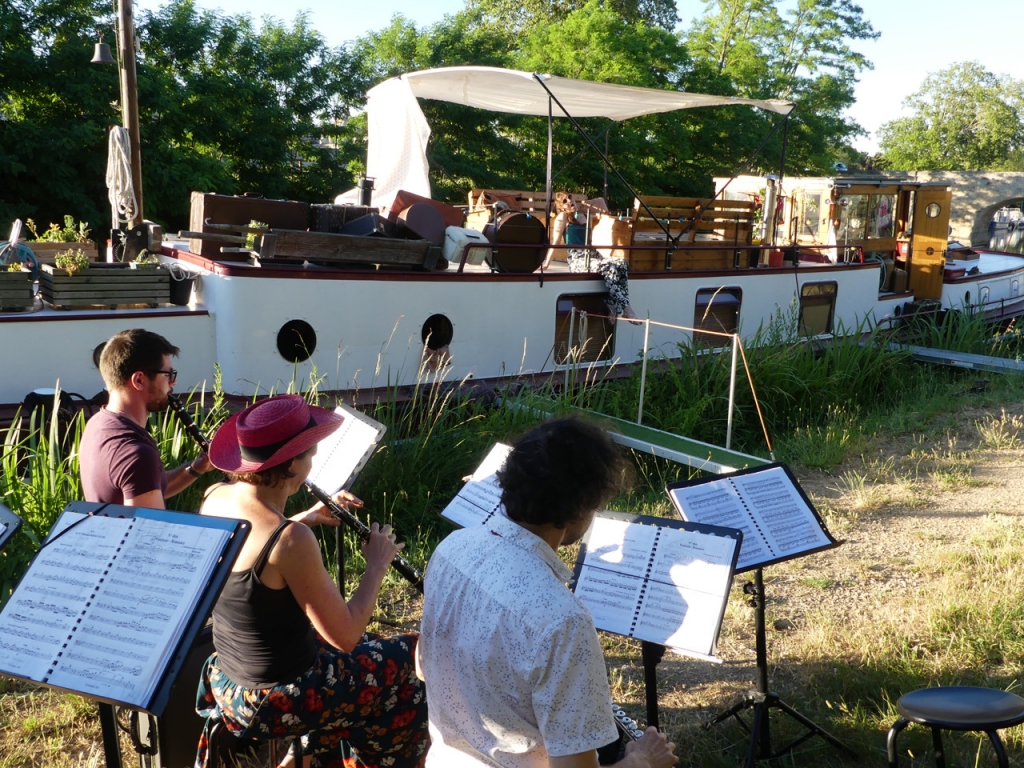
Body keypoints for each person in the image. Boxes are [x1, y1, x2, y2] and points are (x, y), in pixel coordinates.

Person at [418, 417, 677, 768]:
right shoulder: (562, 621)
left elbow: (424, 665)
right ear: (583, 505)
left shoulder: (451, 548)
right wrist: (642, 760)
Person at [195, 394, 428, 768]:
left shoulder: (214, 497)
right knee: (413, 659)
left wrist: (308, 516)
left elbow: (260, 555)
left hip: (229, 678)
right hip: (274, 698)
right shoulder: (290, 540)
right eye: (310, 454)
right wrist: (376, 565)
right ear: (289, 466)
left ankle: (314, 756)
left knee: (376, 649)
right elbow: (346, 636)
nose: (313, 462)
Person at [79, 328, 212, 506]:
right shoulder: (136, 453)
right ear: (139, 380)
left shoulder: (97, 424)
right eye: (168, 375)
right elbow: (148, 532)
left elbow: (145, 488)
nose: (173, 382)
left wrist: (197, 467)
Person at [539, 192, 638, 323]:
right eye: (564, 201)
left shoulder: (584, 214)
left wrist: (581, 205)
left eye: (569, 197)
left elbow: (601, 202)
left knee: (622, 263)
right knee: (611, 267)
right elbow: (555, 243)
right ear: (560, 207)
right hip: (578, 258)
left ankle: (612, 303)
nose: (569, 201)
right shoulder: (562, 217)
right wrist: (546, 263)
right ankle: (626, 308)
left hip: (593, 255)